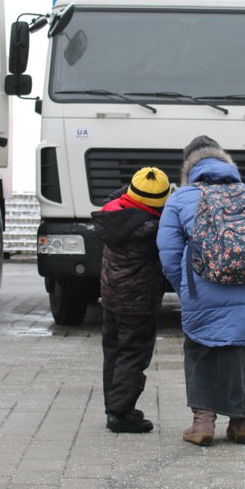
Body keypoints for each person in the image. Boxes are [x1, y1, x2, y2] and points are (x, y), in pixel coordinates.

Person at [157, 135, 245, 446]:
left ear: (189, 167)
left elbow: (169, 253)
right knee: (240, 348)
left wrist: (186, 287)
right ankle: (241, 423)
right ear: (226, 163)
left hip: (203, 288)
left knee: (199, 347)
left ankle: (203, 423)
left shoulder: (182, 198)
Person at [91, 166, 171, 434]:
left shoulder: (112, 214)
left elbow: (121, 194)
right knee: (132, 356)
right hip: (138, 303)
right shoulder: (152, 229)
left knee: (112, 353)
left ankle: (113, 405)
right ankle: (121, 413)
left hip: (111, 296)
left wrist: (136, 187)